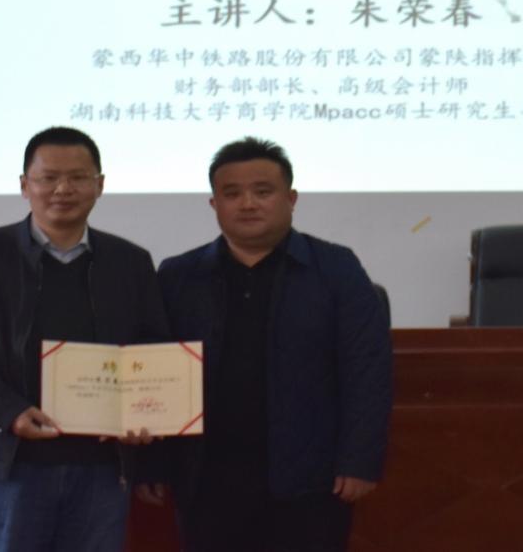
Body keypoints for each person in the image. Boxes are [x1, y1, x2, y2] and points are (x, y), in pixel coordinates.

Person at [0, 126, 169, 552]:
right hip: (9, 456)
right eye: (48, 178)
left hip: (102, 464)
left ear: (100, 185)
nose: (63, 189)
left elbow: (152, 348)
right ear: (25, 186)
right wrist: (8, 411)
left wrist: (142, 412)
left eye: (78, 177)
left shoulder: (130, 262)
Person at [152, 137, 392, 552]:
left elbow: (367, 369)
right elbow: (154, 371)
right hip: (207, 480)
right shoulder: (178, 276)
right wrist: (151, 466)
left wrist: (359, 460)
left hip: (310, 480)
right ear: (214, 204)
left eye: (263, 192)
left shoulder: (335, 268)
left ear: (291, 198)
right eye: (232, 194)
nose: (247, 204)